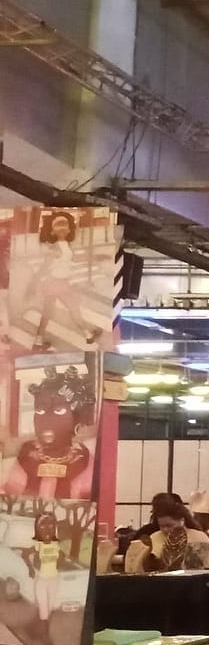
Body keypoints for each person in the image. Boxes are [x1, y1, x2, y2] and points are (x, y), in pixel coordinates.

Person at [4, 366, 96, 500]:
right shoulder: (27, 453)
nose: (47, 420)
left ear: (76, 420)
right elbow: (10, 496)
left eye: (59, 411)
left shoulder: (83, 459)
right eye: (40, 411)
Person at [27, 211, 101, 350]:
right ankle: (88, 335)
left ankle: (38, 341)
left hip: (59, 283)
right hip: (55, 283)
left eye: (65, 227)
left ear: (68, 230)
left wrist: (93, 258)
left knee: (51, 313)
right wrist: (33, 283)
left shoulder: (66, 245)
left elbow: (74, 259)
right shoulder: (55, 248)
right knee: (70, 309)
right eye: (60, 228)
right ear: (53, 232)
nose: (63, 230)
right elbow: (45, 266)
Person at [124, 494, 209, 573]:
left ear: (182, 521)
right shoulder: (154, 537)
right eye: (162, 526)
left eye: (169, 525)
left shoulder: (200, 536)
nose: (165, 530)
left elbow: (206, 564)